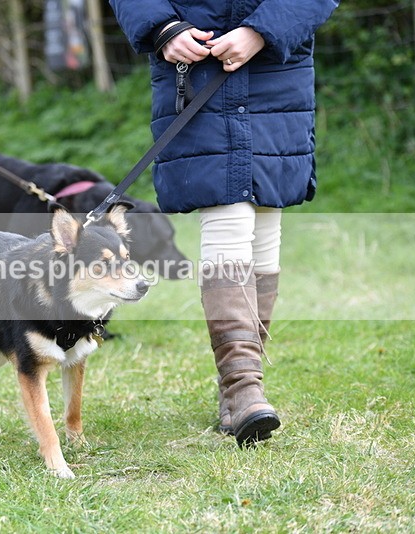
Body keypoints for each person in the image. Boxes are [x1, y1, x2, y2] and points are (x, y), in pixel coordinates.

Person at [110, 0, 337, 446]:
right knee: (228, 212)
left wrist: (263, 32)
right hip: (195, 70)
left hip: (277, 72)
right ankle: (242, 387)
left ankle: (239, 389)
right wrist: (164, 29)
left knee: (267, 217)